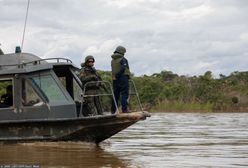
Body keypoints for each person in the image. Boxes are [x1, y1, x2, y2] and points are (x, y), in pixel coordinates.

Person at [111, 46, 131, 113]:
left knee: (115, 95)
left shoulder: (112, 60)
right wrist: (119, 75)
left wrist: (116, 76)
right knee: (124, 94)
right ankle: (124, 110)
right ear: (122, 52)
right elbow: (123, 68)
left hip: (115, 80)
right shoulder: (123, 59)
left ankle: (113, 111)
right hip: (123, 78)